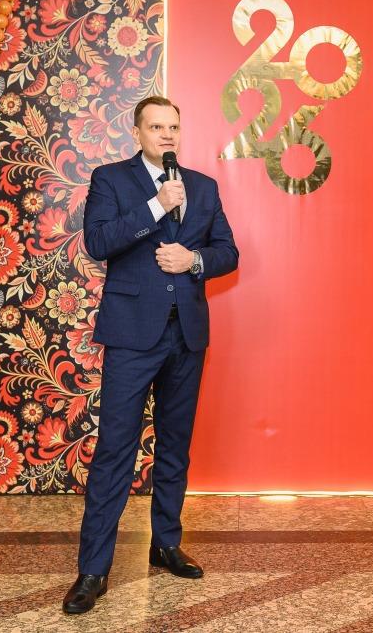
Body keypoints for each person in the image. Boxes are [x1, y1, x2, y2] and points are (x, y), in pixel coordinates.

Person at [63, 96, 239, 614]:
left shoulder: (203, 186)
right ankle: (93, 570)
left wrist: (194, 260)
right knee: (115, 450)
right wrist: (156, 207)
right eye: (156, 127)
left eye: (173, 127)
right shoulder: (111, 179)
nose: (167, 135)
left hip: (187, 335)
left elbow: (228, 252)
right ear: (137, 132)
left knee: (175, 447)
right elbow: (98, 243)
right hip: (132, 336)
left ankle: (165, 544)